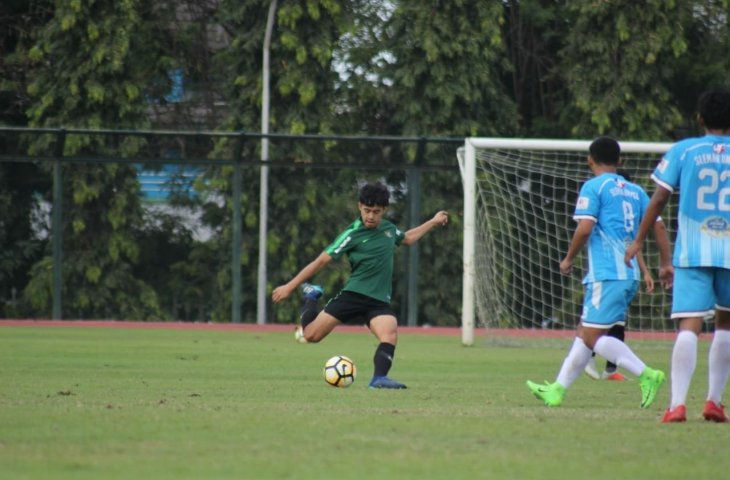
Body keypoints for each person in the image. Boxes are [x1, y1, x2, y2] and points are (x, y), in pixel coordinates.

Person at [526, 136, 666, 408]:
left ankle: (647, 374)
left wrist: (568, 258)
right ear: (620, 161)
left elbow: (585, 227)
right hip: (629, 274)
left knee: (592, 337)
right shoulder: (636, 191)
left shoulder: (593, 186)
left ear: (590, 159)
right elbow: (658, 226)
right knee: (585, 332)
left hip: (607, 273)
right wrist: (664, 262)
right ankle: (557, 389)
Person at [271, 181, 449, 389]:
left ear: (384, 210)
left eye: (376, 211)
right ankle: (311, 295)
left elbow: (408, 238)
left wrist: (434, 221)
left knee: (389, 332)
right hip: (353, 294)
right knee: (311, 335)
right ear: (359, 207)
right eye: (367, 211)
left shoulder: (389, 230)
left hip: (378, 300)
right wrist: (290, 286)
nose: (371, 216)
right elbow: (320, 261)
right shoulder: (352, 234)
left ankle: (379, 378)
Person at [625, 88, 730, 423]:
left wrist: (639, 240)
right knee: (726, 325)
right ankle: (714, 402)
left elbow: (658, 199)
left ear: (700, 119)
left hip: (693, 251)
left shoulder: (684, 150)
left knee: (690, 325)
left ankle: (677, 405)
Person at [583, 169, 670, 381]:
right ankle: (599, 367)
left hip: (619, 274)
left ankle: (609, 369)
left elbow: (632, 246)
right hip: (616, 275)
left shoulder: (617, 211)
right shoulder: (626, 201)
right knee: (597, 328)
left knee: (604, 327)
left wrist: (646, 271)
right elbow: (641, 238)